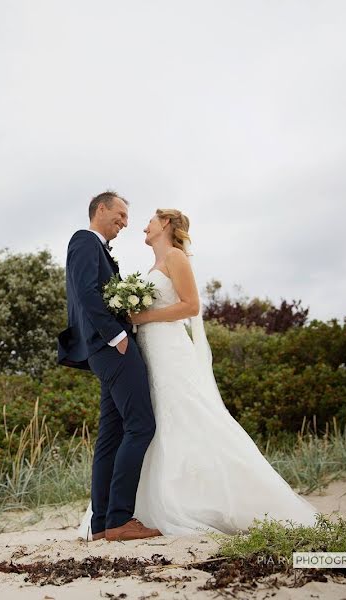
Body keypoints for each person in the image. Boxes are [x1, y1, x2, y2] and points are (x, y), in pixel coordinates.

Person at [77, 208, 319, 539]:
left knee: (188, 416)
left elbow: (192, 306)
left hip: (169, 350)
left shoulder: (176, 257)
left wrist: (140, 318)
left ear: (164, 223)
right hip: (149, 351)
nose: (140, 226)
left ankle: (210, 500)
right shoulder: (151, 267)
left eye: (148, 220)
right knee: (158, 425)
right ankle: (137, 509)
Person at [57, 191, 162, 542]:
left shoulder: (94, 246)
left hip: (104, 349)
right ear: (100, 209)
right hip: (111, 347)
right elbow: (86, 292)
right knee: (141, 425)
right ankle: (119, 518)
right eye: (119, 215)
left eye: (126, 218)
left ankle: (101, 524)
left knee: (111, 435)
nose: (125, 223)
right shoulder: (85, 241)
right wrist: (116, 335)